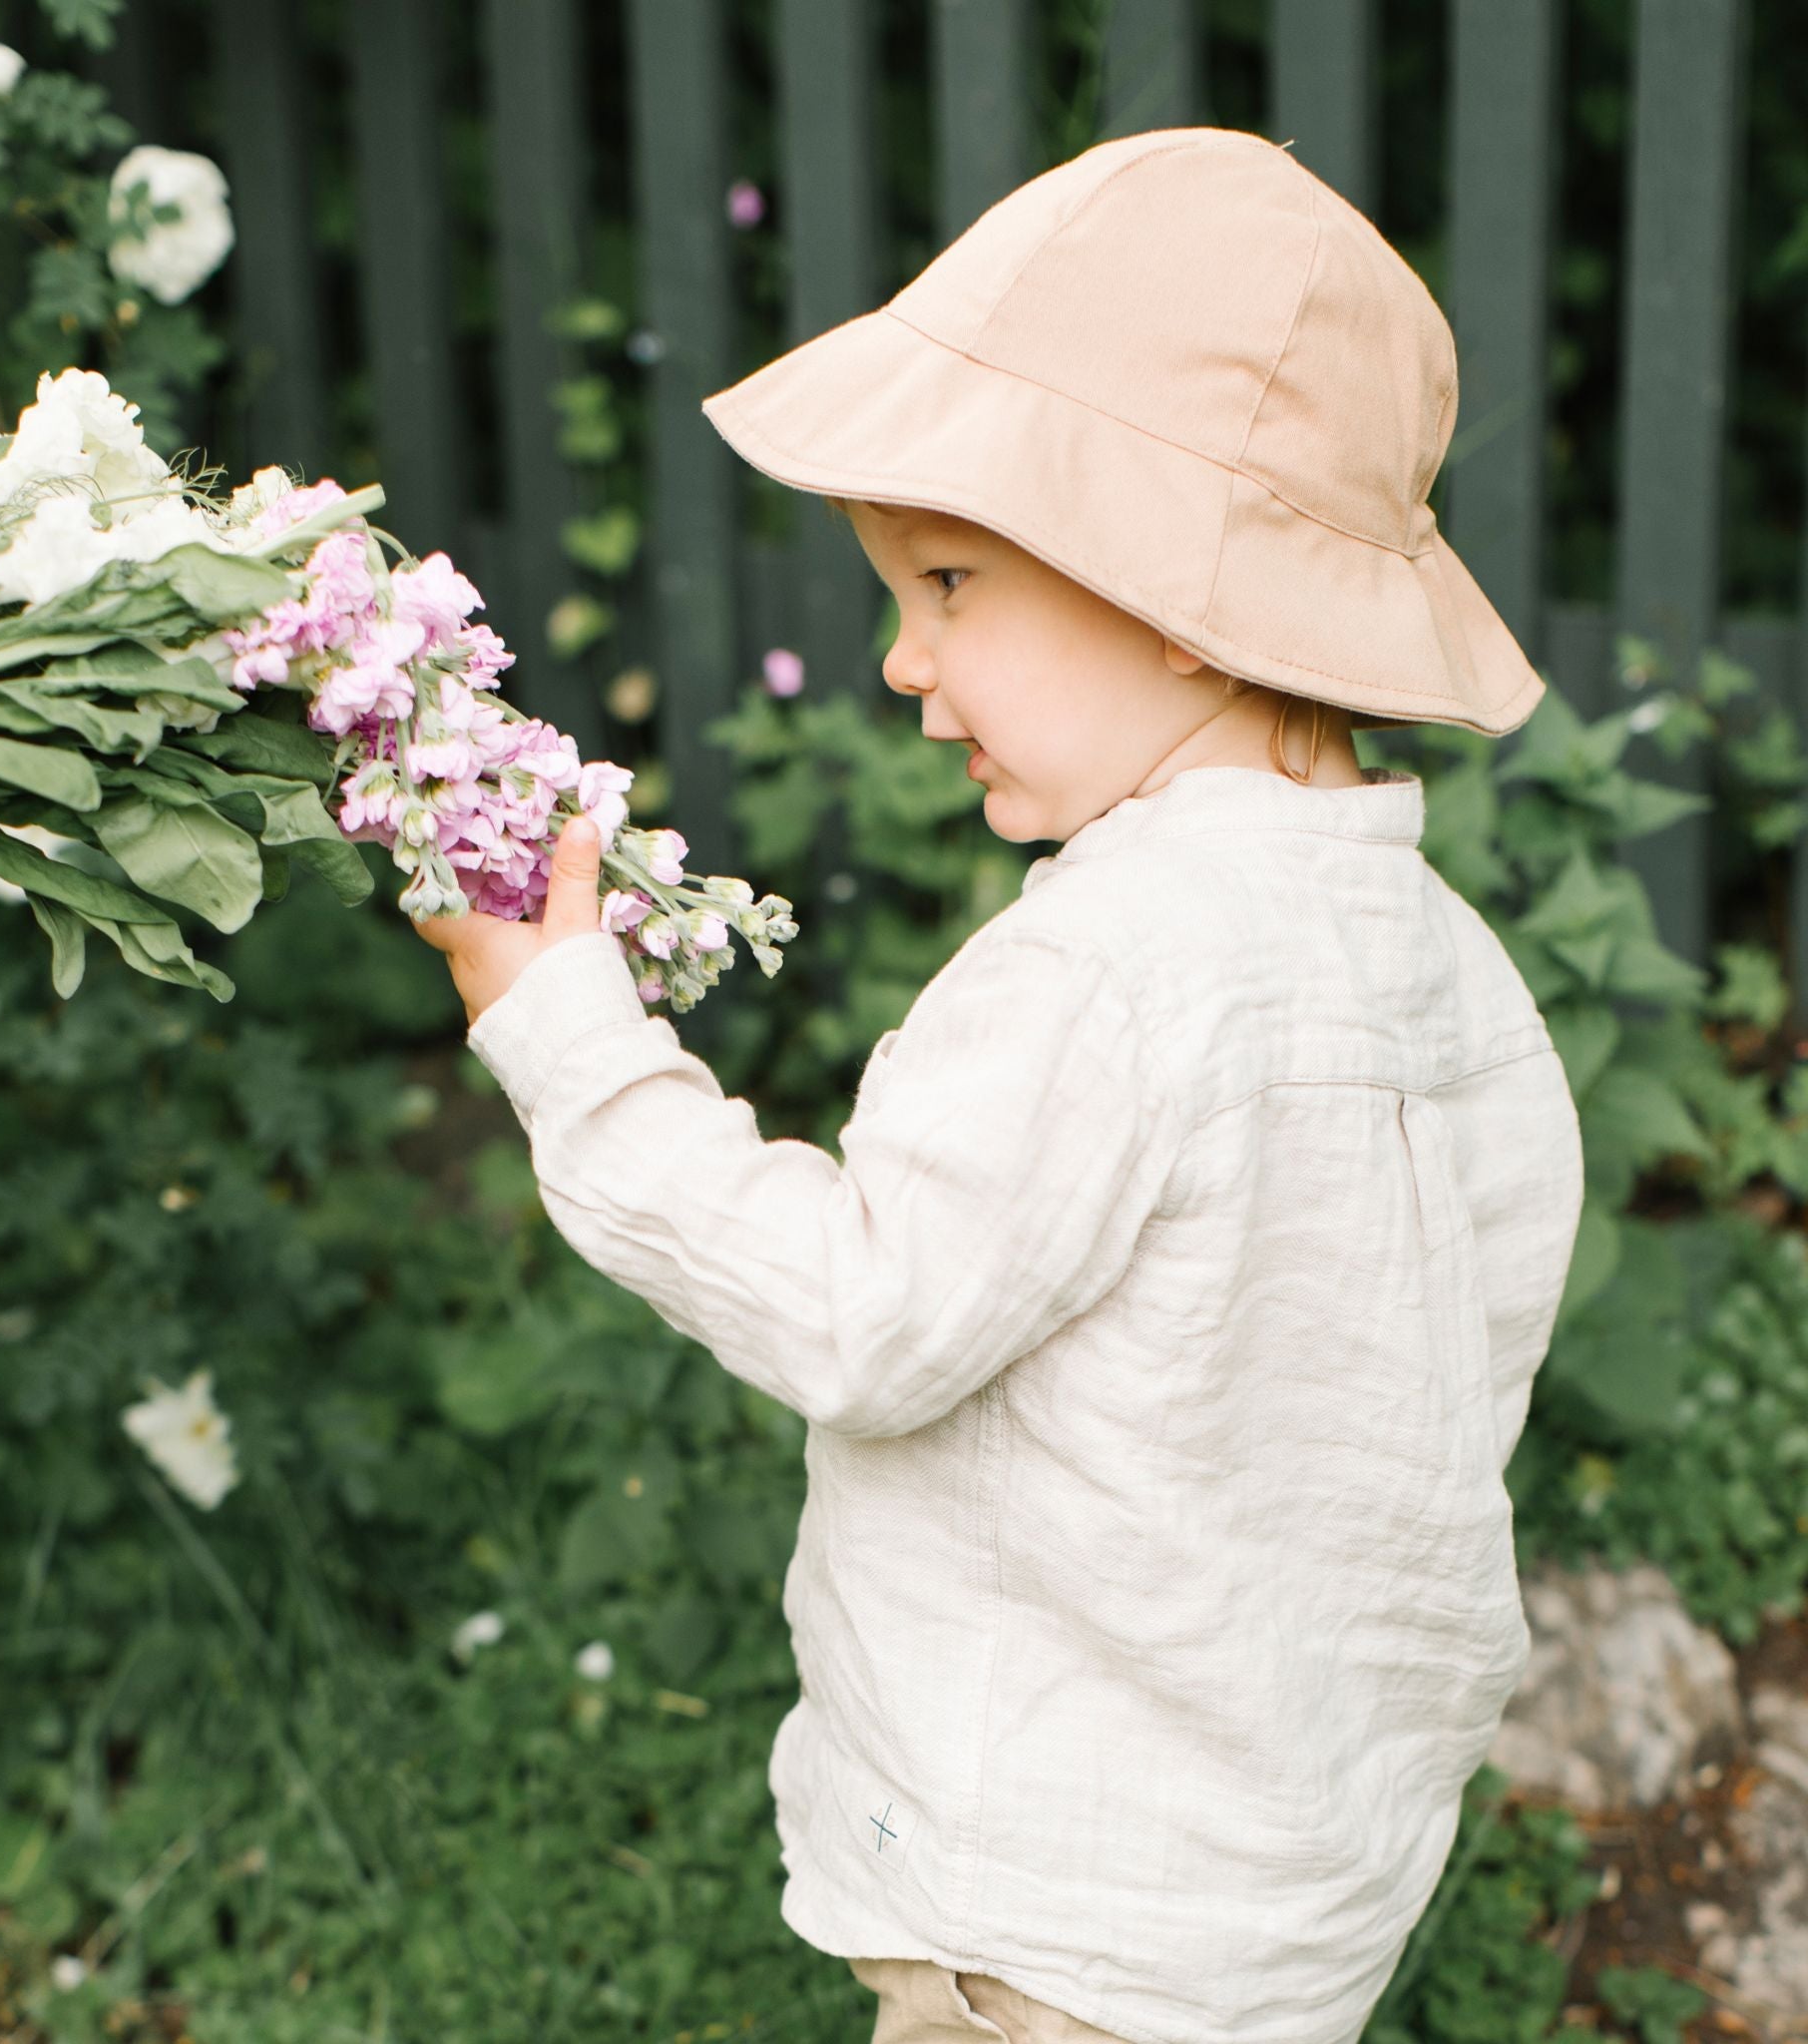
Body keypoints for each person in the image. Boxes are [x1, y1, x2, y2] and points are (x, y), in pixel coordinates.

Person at [420, 127, 1585, 2044]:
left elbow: (861, 1311)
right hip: (1288, 1907)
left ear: (1175, 588)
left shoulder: (1114, 963)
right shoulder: (1454, 980)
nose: (903, 659)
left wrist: (566, 1025)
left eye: (950, 581)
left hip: (1050, 1931)